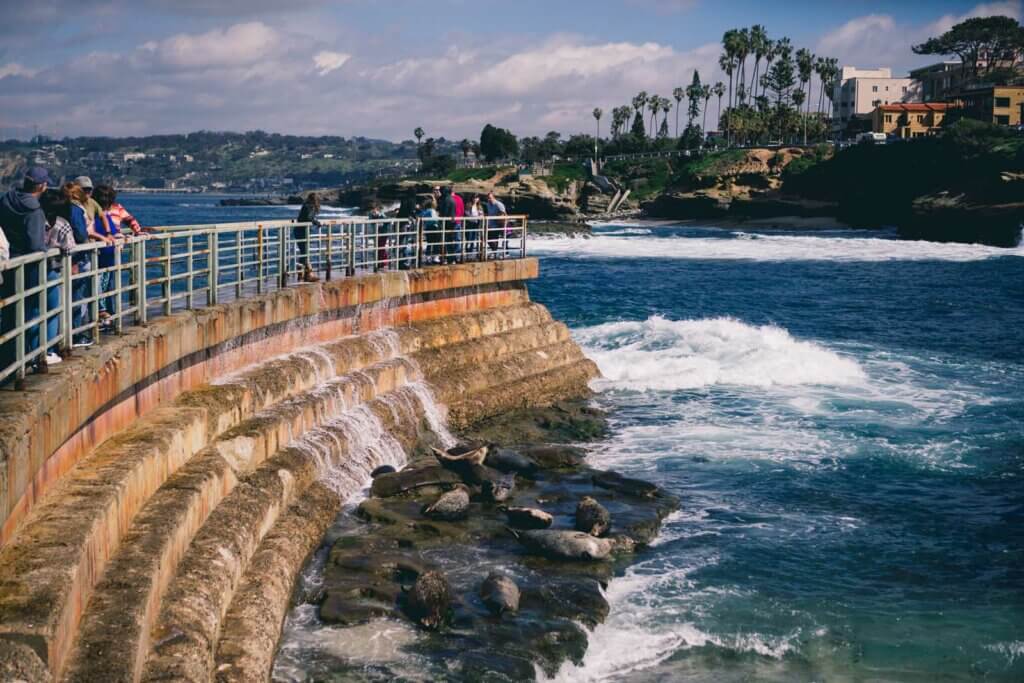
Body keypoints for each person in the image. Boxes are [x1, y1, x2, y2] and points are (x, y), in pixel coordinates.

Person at [0, 167, 63, 372]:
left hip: (8, 263)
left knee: (11, 311)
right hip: (29, 265)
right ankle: (38, 354)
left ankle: (11, 357)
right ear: (43, 185)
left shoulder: (5, 200)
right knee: (38, 308)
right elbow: (36, 244)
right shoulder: (35, 210)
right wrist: (49, 250)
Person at [91, 184, 124, 326]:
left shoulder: (95, 213)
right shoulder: (103, 215)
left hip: (103, 255)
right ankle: (105, 318)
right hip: (105, 256)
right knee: (103, 289)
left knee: (102, 288)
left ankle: (105, 317)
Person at [294, 193, 320, 282]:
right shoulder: (310, 206)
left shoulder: (306, 205)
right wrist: (316, 222)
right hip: (302, 231)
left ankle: (302, 273)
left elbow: (305, 217)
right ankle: (308, 274)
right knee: (305, 252)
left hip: (299, 230)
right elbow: (309, 218)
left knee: (304, 252)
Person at [485, 192, 508, 257]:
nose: (489, 199)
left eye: (490, 198)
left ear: (493, 197)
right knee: (487, 238)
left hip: (497, 225)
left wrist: (503, 225)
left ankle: (495, 252)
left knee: (494, 239)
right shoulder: (488, 204)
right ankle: (494, 251)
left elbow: (504, 214)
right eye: (488, 198)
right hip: (490, 224)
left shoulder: (499, 204)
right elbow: (489, 213)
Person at [420, 197, 440, 264]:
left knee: (429, 243)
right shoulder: (432, 211)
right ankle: (435, 258)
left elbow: (421, 216)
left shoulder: (424, 211)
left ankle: (428, 257)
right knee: (435, 243)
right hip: (434, 227)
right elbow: (435, 219)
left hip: (428, 228)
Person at [451, 187, 465, 262]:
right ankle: (457, 255)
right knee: (457, 238)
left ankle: (451, 256)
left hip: (452, 221)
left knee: (450, 239)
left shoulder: (450, 199)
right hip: (459, 220)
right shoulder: (459, 198)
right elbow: (462, 210)